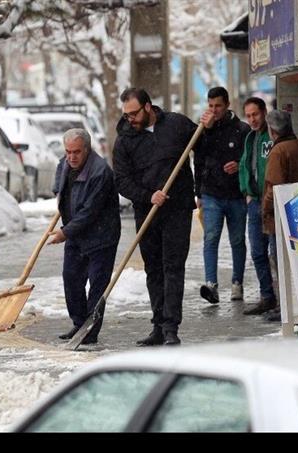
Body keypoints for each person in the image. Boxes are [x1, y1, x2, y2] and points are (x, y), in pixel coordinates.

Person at [113, 88, 197, 346]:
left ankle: (171, 327)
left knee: (173, 267)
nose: (130, 119)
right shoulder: (124, 141)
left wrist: (210, 123)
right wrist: (148, 196)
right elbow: (122, 181)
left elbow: (201, 141)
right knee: (154, 269)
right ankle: (158, 325)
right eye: (126, 115)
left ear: (148, 106)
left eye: (134, 113)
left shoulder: (176, 124)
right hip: (147, 212)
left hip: (178, 208)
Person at [49, 128, 121, 344]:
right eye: (68, 152)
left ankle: (90, 331)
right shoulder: (64, 164)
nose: (71, 157)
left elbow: (90, 212)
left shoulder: (101, 172)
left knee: (97, 285)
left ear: (87, 150)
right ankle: (79, 323)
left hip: (101, 236)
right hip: (76, 233)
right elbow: (58, 188)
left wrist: (64, 232)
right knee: (71, 278)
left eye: (76, 152)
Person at [195, 87, 250, 304]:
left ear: (227, 105)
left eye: (218, 106)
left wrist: (239, 166)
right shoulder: (204, 129)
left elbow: (249, 159)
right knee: (211, 238)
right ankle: (211, 285)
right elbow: (198, 160)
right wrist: (197, 192)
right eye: (210, 106)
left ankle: (237, 282)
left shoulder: (242, 129)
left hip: (236, 194)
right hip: (211, 194)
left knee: (237, 240)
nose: (214, 110)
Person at [261, 110, 298, 321]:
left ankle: (287, 306)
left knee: (283, 263)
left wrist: (265, 209)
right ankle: (297, 304)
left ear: (272, 130)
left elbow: (273, 186)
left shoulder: (278, 152)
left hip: (282, 216)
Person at [239, 97, 277, 316]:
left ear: (264, 112)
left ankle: (281, 300)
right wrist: (246, 191)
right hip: (254, 202)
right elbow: (246, 165)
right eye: (249, 115)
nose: (252, 119)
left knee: (274, 252)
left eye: (255, 114)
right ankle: (266, 296)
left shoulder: (272, 136)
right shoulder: (250, 138)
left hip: (271, 201)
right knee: (257, 251)